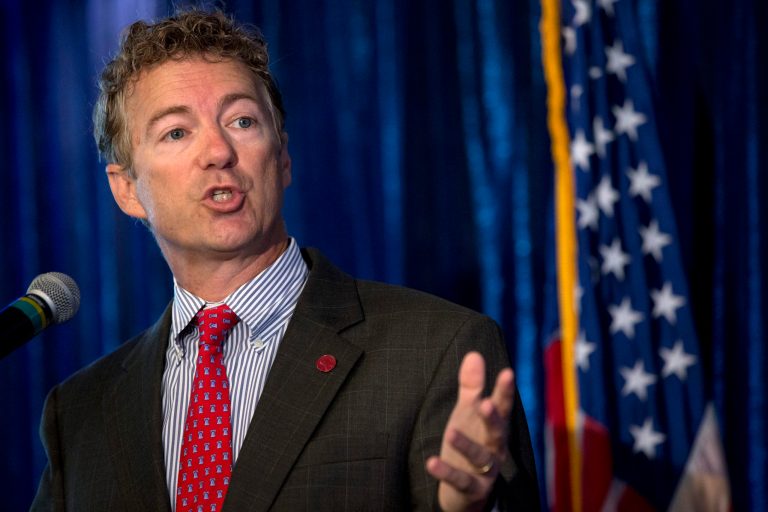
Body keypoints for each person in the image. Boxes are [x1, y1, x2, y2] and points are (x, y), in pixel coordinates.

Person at [31, 9, 539, 512]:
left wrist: (465, 507)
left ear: (283, 156)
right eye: (176, 132)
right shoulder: (78, 412)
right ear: (126, 189)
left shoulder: (436, 349)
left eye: (242, 121)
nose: (218, 151)